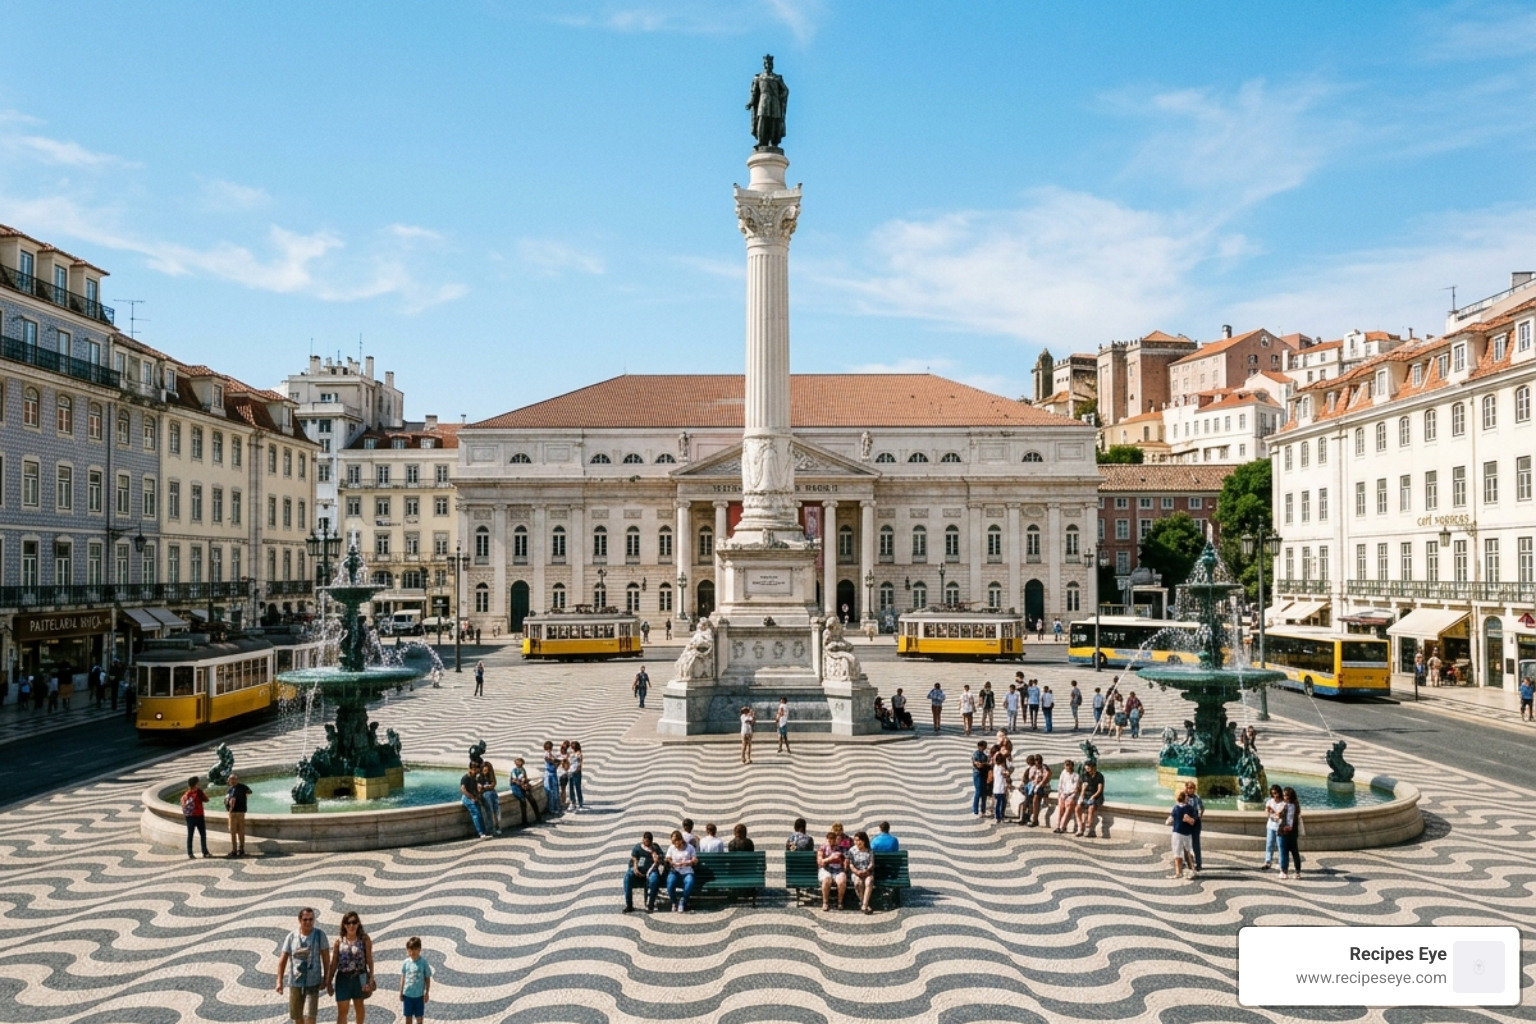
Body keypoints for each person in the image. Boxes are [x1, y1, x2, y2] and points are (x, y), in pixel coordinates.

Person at [276, 908, 331, 1024]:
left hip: (313, 981)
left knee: (311, 1016)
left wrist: (327, 978)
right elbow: (283, 959)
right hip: (295, 982)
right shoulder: (291, 937)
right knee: (297, 1017)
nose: (308, 922)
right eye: (305, 919)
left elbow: (326, 958)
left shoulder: (320, 935)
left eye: (311, 919)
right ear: (299, 920)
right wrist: (279, 981)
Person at [328, 910, 375, 1023]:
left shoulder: (364, 939)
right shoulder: (339, 941)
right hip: (343, 978)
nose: (351, 925)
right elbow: (334, 963)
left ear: (358, 924)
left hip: (360, 976)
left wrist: (371, 979)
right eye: (348, 923)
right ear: (344, 925)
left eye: (354, 922)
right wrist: (328, 981)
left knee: (359, 1006)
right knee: (342, 1010)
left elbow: (369, 959)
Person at [746, 54, 789, 149]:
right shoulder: (759, 77)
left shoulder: (777, 78)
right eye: (767, 63)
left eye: (770, 64)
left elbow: (785, 90)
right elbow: (754, 92)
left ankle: (774, 142)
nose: (768, 65)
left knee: (774, 121)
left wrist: (779, 97)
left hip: (775, 101)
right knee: (762, 120)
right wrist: (751, 102)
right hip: (763, 100)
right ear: (764, 65)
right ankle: (761, 141)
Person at [622, 831, 664, 913]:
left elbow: (662, 858)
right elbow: (634, 858)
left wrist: (657, 857)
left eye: (648, 842)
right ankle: (629, 905)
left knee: (654, 879)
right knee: (627, 877)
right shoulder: (638, 847)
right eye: (645, 841)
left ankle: (650, 905)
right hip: (638, 870)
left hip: (651, 871)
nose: (647, 844)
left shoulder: (655, 847)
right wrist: (635, 868)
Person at [1167, 790, 1198, 879]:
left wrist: (1168, 821)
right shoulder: (1190, 808)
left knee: (1177, 852)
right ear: (1184, 798)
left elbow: (1170, 819)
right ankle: (1192, 870)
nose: (1188, 798)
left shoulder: (1176, 808)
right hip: (1187, 833)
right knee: (1189, 851)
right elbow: (1193, 820)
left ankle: (1178, 873)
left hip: (1177, 832)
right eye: (1187, 797)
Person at [664, 830, 697, 912]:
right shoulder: (672, 847)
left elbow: (695, 860)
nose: (674, 843)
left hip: (687, 871)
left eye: (675, 841)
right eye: (672, 841)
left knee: (689, 882)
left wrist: (688, 862)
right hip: (675, 871)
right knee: (670, 883)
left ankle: (683, 901)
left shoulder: (690, 848)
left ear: (680, 840)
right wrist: (672, 863)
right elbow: (668, 858)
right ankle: (674, 902)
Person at [181, 776, 212, 859]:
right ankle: (205, 852)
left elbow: (183, 804)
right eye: (198, 782)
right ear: (196, 783)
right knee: (203, 835)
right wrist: (203, 793)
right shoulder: (199, 792)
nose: (199, 783)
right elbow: (207, 799)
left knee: (190, 835)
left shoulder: (186, 794)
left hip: (189, 817)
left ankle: (190, 853)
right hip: (199, 816)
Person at [460, 759, 491, 839]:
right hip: (466, 797)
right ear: (472, 769)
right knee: (476, 813)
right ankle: (481, 833)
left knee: (479, 813)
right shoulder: (465, 778)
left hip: (473, 797)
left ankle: (484, 832)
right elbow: (463, 790)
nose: (477, 771)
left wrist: (478, 794)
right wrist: (472, 797)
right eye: (476, 770)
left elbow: (476, 789)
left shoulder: (474, 777)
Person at [817, 830, 848, 911]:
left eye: (833, 839)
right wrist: (830, 859)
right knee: (827, 879)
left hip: (838, 869)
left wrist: (845, 863)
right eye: (829, 840)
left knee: (842, 881)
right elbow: (820, 861)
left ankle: (840, 902)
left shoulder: (841, 848)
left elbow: (845, 858)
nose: (831, 842)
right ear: (827, 839)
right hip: (826, 869)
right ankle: (825, 902)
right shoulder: (823, 848)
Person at [848, 831, 877, 914]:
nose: (857, 842)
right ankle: (865, 903)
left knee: (869, 882)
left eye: (859, 840)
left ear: (864, 840)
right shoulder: (852, 850)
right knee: (858, 883)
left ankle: (864, 905)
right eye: (855, 840)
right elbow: (851, 864)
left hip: (867, 872)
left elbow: (872, 863)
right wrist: (856, 871)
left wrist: (866, 870)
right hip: (856, 872)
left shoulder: (869, 850)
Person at [224, 772, 252, 857]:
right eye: (230, 780)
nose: (232, 781)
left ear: (237, 780)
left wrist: (243, 798)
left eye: (234, 779)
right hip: (232, 813)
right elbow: (226, 800)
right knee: (232, 832)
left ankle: (241, 849)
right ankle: (234, 850)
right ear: (228, 781)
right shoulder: (229, 789)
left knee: (241, 831)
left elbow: (250, 792)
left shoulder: (243, 787)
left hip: (240, 812)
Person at [1279, 786, 1304, 878]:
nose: (1283, 797)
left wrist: (1287, 827)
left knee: (1284, 852)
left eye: (1285, 795)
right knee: (1295, 852)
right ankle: (1298, 872)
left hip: (1285, 832)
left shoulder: (1289, 806)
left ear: (1289, 796)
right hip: (1293, 833)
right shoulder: (1296, 805)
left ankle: (1284, 872)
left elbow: (1289, 819)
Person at [508, 757, 541, 824]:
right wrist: (522, 783)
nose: (520, 765)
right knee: (523, 801)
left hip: (523, 786)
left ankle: (538, 817)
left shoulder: (523, 770)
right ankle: (524, 821)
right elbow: (515, 780)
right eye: (518, 764)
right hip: (516, 787)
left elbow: (524, 778)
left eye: (521, 764)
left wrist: (525, 782)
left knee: (531, 799)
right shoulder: (514, 771)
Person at [1076, 762, 1105, 838]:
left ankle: (1088, 828)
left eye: (1088, 768)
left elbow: (1099, 790)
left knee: (1091, 808)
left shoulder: (1099, 776)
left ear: (1094, 768)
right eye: (1086, 768)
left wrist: (1093, 796)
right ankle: (1080, 826)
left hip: (1096, 796)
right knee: (1077, 808)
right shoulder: (1084, 775)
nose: (1087, 770)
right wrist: (1081, 796)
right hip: (1086, 796)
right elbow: (1081, 788)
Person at [1260, 784, 1285, 869]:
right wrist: (1268, 812)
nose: (1275, 795)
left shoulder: (1284, 803)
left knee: (1280, 846)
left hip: (1280, 827)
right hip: (1271, 826)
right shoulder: (1270, 801)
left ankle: (1281, 863)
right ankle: (1268, 861)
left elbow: (1282, 814)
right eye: (1273, 793)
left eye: (1276, 793)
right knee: (1269, 844)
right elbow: (1266, 812)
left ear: (1279, 792)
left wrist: (1275, 812)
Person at [1183, 781, 1205, 871]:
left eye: (1192, 788)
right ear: (1186, 788)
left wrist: (1199, 817)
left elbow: (1202, 808)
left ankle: (1198, 863)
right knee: (1185, 843)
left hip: (1196, 822)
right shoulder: (1184, 797)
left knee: (1196, 843)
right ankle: (1187, 862)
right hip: (1186, 823)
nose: (1191, 790)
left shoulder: (1197, 797)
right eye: (1189, 788)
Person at [1053, 759, 1080, 833]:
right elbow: (1060, 784)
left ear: (1072, 766)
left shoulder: (1076, 775)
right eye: (1066, 766)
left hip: (1072, 794)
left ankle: (1063, 826)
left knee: (1069, 805)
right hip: (1063, 793)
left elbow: (1075, 788)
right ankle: (1058, 826)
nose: (1068, 767)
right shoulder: (1063, 772)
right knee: (1061, 807)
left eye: (1069, 766)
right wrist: (1060, 793)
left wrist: (1069, 795)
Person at [478, 757, 502, 834]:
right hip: (486, 796)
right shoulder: (479, 777)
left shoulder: (491, 776)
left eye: (487, 770)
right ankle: (491, 829)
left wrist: (485, 787)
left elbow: (493, 784)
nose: (485, 772)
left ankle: (498, 827)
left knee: (496, 811)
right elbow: (479, 789)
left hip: (493, 794)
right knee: (489, 812)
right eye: (484, 770)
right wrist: (488, 787)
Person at [541, 741, 562, 817]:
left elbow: (557, 761)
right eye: (548, 748)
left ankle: (556, 807)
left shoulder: (552, 754)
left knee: (555, 791)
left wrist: (557, 763)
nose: (549, 750)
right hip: (548, 774)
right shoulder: (546, 755)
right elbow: (551, 760)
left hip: (553, 773)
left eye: (550, 748)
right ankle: (551, 808)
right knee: (549, 791)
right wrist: (556, 761)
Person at [970, 741, 990, 817]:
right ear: (980, 746)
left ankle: (983, 810)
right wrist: (985, 764)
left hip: (984, 774)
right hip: (978, 774)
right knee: (978, 792)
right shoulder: (976, 754)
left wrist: (984, 764)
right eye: (984, 746)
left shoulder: (985, 754)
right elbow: (978, 765)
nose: (985, 747)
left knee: (984, 793)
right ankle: (975, 810)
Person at [990, 751, 1011, 823]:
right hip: (1001, 789)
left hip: (996, 789)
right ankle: (1000, 816)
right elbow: (1007, 774)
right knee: (1001, 803)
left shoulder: (995, 767)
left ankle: (998, 816)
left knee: (998, 803)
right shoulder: (1001, 768)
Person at [568, 741, 585, 811]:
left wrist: (577, 770)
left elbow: (580, 764)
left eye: (572, 747)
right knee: (571, 788)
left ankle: (580, 803)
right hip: (571, 772)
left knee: (577, 788)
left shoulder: (579, 754)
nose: (571, 748)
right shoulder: (572, 754)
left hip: (576, 773)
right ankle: (573, 802)